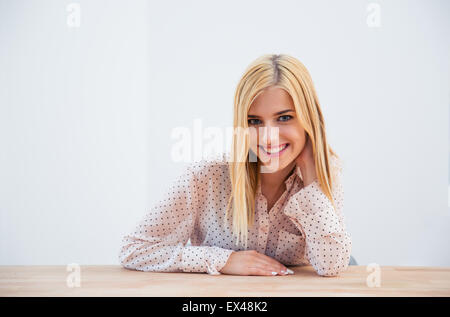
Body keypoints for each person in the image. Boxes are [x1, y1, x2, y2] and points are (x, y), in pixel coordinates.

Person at [118, 54, 352, 277]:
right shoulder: (206, 176)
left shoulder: (323, 175)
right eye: (254, 121)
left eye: (284, 118)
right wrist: (225, 260)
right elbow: (134, 250)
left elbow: (332, 265)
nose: (268, 138)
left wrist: (311, 172)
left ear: (308, 119)